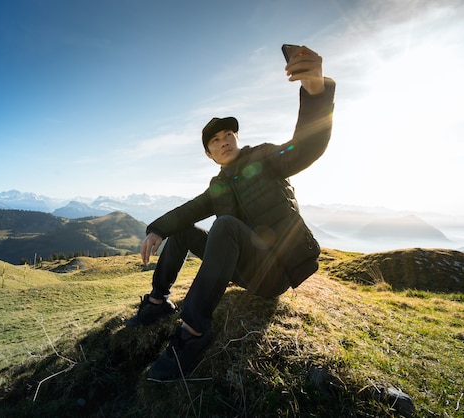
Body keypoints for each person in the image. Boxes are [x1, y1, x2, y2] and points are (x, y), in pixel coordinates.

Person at [126, 46, 336, 381]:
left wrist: (316, 92)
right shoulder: (218, 185)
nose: (224, 141)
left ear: (237, 139)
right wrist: (157, 230)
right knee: (183, 230)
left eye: (229, 135)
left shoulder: (263, 158)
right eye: (216, 140)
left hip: (274, 273)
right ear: (209, 154)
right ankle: (157, 301)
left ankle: (194, 332)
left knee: (224, 226)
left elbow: (307, 147)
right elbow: (189, 210)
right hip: (244, 269)